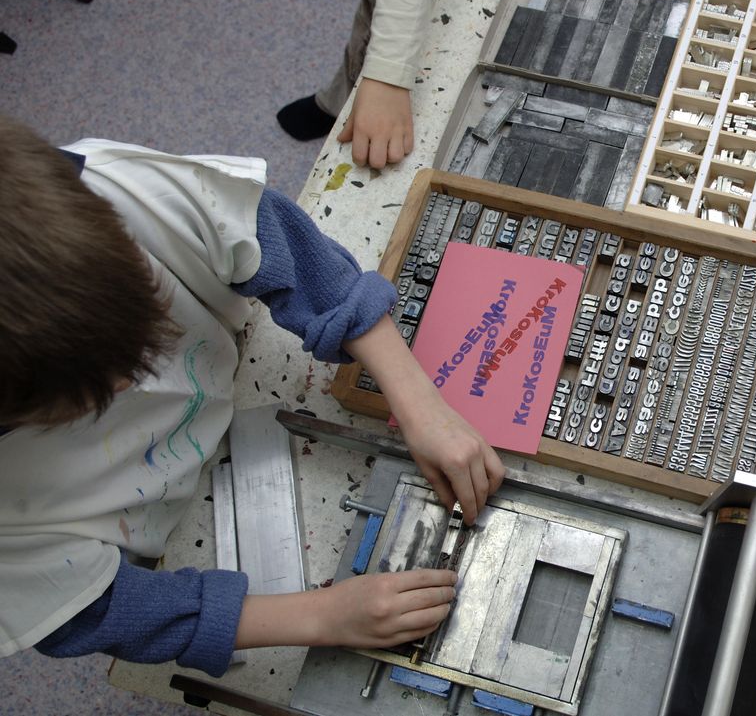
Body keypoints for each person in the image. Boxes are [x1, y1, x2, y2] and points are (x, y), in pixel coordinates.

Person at [0, 115, 504, 676]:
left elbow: (270, 233)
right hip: (128, 522)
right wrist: (321, 616)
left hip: (225, 379)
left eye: (140, 340)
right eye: (90, 398)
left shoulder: (101, 193)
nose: (135, 383)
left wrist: (419, 400)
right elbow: (92, 612)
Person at [277, 0, 452, 170]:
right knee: (366, 29)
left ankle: (342, 105)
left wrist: (387, 75)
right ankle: (337, 101)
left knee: (370, 38)